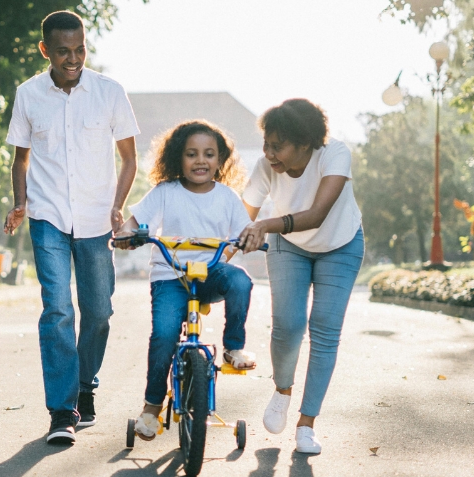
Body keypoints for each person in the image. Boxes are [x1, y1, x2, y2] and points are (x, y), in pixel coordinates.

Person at [2, 10, 140, 445]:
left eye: (80, 49)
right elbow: (20, 158)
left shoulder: (109, 92)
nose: (73, 58)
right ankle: (62, 411)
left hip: (98, 219)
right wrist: (21, 203)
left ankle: (85, 387)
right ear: (46, 50)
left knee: (98, 312)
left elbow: (129, 158)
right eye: (63, 51)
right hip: (47, 218)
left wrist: (118, 206)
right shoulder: (28, 95)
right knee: (58, 309)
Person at [114, 120, 255, 441]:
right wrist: (126, 234)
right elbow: (135, 222)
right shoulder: (165, 192)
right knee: (164, 335)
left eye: (209, 154)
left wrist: (249, 238)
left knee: (241, 281)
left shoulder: (228, 197)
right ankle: (151, 407)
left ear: (220, 161)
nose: (200, 160)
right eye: (191, 154)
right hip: (170, 277)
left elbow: (244, 231)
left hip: (209, 274)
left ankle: (233, 348)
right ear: (178, 158)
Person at [238, 98, 364, 455]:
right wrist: (219, 254)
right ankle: (282, 390)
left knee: (324, 329)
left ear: (305, 143)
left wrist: (264, 224)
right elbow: (240, 218)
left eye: (278, 146)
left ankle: (307, 424)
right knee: (288, 324)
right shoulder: (266, 167)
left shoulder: (334, 154)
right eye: (266, 144)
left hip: (340, 244)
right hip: (288, 246)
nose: (269, 153)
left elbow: (318, 214)